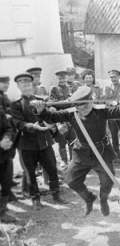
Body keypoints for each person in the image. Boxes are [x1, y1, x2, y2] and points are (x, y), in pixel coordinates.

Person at [31, 86, 120, 216]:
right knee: (71, 180)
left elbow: (119, 112)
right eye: (79, 106)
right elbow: (52, 117)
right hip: (82, 152)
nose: (82, 109)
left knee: (108, 181)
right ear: (75, 106)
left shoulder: (101, 111)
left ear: (92, 101)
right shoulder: (72, 113)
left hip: (101, 152)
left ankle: (103, 199)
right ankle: (89, 198)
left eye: (86, 105)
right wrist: (41, 110)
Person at [10, 73, 66, 210]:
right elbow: (18, 123)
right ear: (18, 86)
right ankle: (35, 199)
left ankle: (56, 195)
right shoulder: (15, 105)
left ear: (32, 84)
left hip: (45, 142)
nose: (26, 85)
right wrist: (32, 126)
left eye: (28, 82)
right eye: (22, 83)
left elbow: (50, 117)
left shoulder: (43, 100)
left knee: (52, 169)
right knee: (30, 173)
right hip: (27, 144)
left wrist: (55, 125)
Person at [0, 75, 17, 223]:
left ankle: (2, 212)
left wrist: (7, 137)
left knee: (6, 182)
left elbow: (8, 127)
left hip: (4, 153)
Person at [50, 70, 74, 168]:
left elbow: (73, 102)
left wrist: (66, 102)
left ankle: (73, 160)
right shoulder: (54, 89)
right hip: (60, 119)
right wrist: (66, 102)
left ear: (66, 78)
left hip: (71, 117)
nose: (62, 80)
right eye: (60, 78)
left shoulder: (70, 88)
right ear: (57, 79)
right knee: (62, 141)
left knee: (72, 140)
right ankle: (64, 161)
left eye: (64, 78)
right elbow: (52, 103)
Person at [104, 69, 120, 160]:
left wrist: (118, 102)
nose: (113, 79)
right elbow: (105, 100)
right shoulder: (107, 87)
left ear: (118, 77)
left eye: (115, 77)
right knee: (114, 135)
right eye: (111, 77)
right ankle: (116, 153)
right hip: (112, 115)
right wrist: (111, 102)